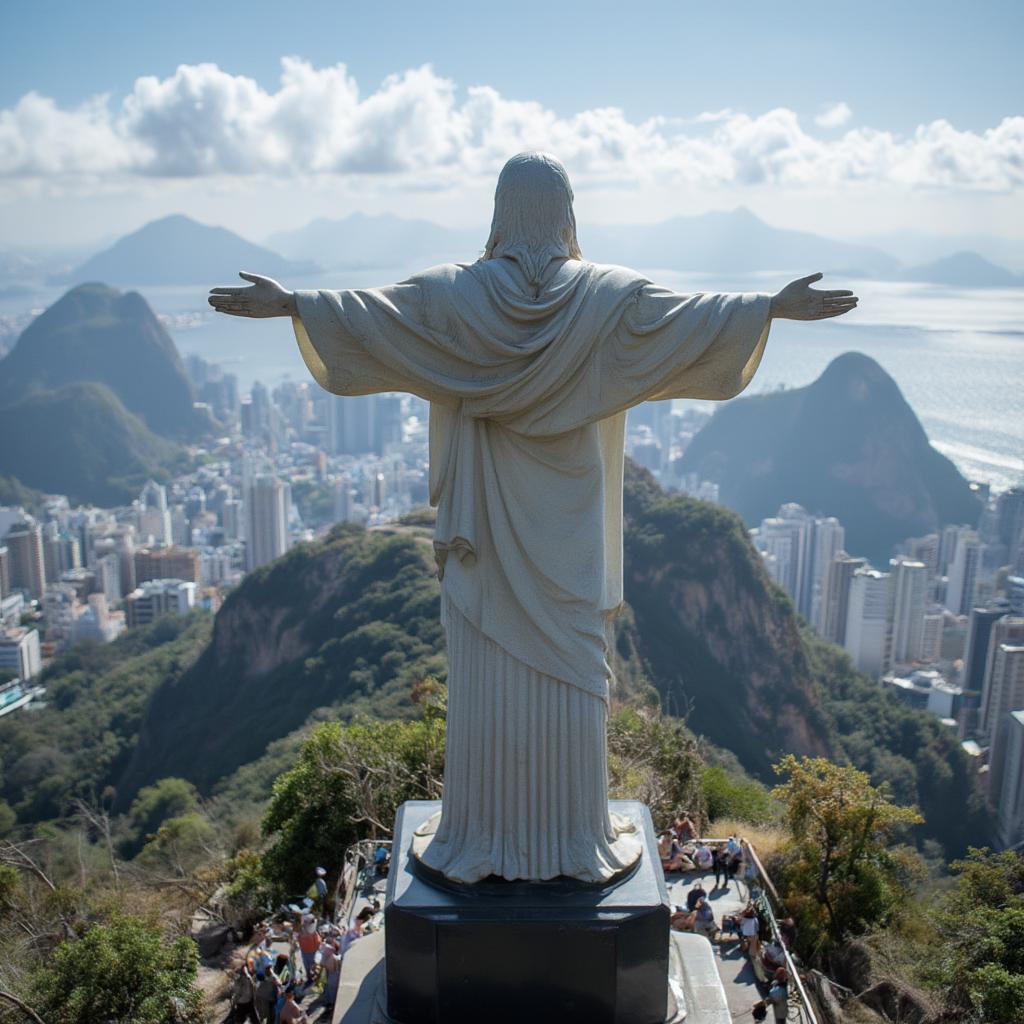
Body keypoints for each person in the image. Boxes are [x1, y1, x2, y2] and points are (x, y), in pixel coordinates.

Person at [209, 152, 856, 887]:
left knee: (489, 679)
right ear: (567, 212)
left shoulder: (455, 299)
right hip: (572, 540)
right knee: (576, 679)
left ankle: (482, 830)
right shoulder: (609, 300)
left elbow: (374, 314)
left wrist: (294, 301)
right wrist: (769, 305)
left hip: (482, 538)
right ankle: (571, 835)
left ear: (500, 212)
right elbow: (690, 318)